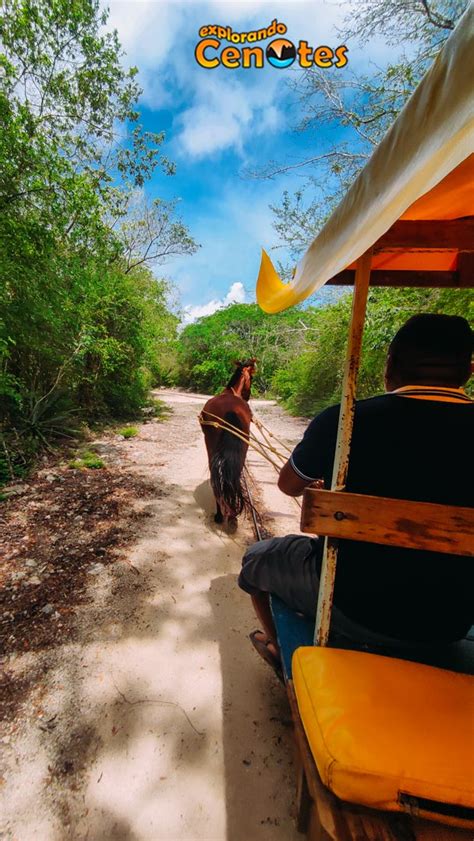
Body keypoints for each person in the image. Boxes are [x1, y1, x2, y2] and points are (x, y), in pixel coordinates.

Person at [238, 314, 474, 673]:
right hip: (452, 621)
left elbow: (288, 485)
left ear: (390, 366)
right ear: (468, 371)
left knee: (257, 558)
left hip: (353, 604)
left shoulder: (345, 420)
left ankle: (280, 653)